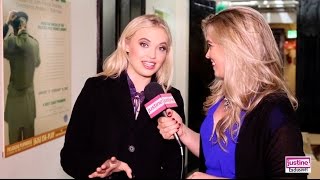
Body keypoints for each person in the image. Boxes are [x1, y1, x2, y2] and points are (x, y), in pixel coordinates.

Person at [157, 6, 307, 179]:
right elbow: (218, 153)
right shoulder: (223, 98)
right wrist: (182, 131)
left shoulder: (278, 110)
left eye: (211, 45)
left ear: (234, 48)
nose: (207, 54)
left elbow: (299, 172)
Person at [60, 14, 185, 179]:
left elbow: (174, 165)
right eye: (144, 44)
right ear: (126, 44)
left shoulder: (171, 97)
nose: (153, 55)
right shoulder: (96, 89)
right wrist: (102, 166)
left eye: (161, 48)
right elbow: (69, 157)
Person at [3, 10, 41, 144]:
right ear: (25, 24)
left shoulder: (11, 43)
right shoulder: (34, 43)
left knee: (15, 145)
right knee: (30, 144)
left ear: (14, 26)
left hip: (15, 102)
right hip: (29, 102)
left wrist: (6, 24)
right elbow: (37, 62)